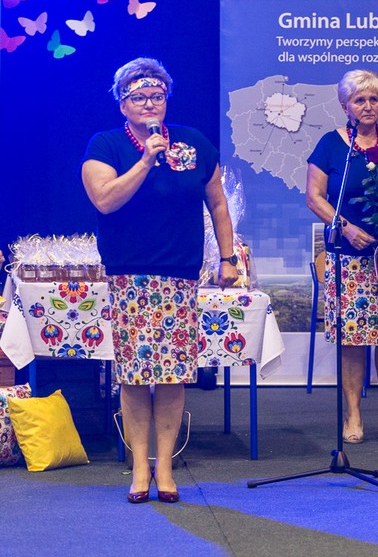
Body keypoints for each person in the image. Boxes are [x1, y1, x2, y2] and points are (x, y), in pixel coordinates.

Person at [82, 57, 238, 503]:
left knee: (172, 375)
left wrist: (227, 258)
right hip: (129, 275)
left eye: (157, 95)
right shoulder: (106, 145)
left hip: (180, 274)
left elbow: (219, 205)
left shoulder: (193, 143)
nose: (149, 103)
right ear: (123, 104)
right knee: (134, 375)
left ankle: (166, 467)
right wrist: (147, 160)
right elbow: (106, 200)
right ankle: (139, 468)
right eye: (139, 96)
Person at [306, 70, 378, 445]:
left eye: (373, 99)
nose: (367, 106)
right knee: (353, 339)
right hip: (347, 255)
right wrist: (346, 227)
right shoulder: (330, 144)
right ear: (345, 106)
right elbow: (314, 197)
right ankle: (353, 414)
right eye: (359, 100)